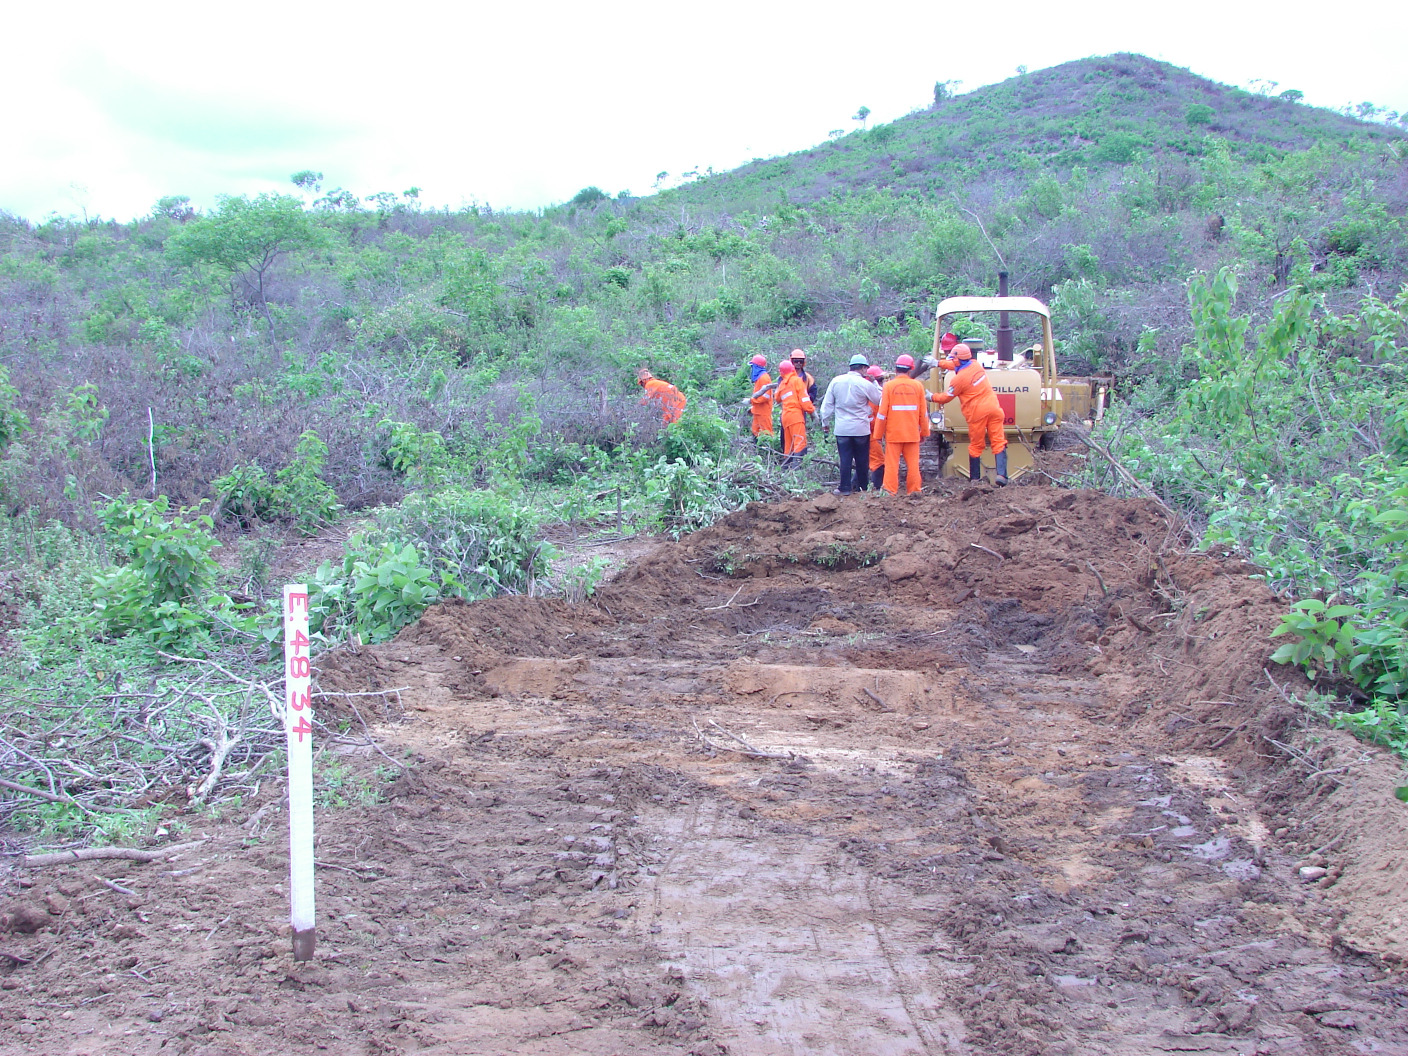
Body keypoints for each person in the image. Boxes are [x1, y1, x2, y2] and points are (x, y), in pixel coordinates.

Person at [927, 343, 1008, 485]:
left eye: (953, 358)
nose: (952, 361)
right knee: (998, 441)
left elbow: (946, 398)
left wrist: (931, 397)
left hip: (977, 413)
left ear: (958, 359)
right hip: (994, 409)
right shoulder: (976, 365)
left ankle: (975, 479)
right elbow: (955, 365)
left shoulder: (959, 380)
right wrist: (938, 363)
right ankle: (1002, 475)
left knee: (976, 445)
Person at [819, 354, 883, 493]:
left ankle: (845, 488)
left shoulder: (836, 381)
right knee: (862, 460)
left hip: (842, 429)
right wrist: (874, 383)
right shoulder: (865, 383)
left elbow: (826, 406)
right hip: (861, 428)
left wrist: (825, 423)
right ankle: (863, 488)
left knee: (845, 459)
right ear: (864, 368)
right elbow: (879, 400)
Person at [874, 354, 930, 495]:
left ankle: (889, 492)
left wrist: (878, 435)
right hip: (912, 434)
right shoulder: (918, 386)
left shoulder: (889, 386)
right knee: (913, 465)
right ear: (910, 370)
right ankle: (914, 491)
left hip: (894, 434)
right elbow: (923, 413)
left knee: (892, 465)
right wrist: (924, 432)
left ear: (896, 368)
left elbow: (882, 413)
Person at [775, 360, 814, 467]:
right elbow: (805, 400)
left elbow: (777, 398)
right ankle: (797, 470)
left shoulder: (782, 384)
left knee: (789, 445)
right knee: (799, 442)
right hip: (796, 416)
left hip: (785, 417)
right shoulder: (797, 381)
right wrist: (812, 411)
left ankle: (785, 468)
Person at [865, 365, 886, 489]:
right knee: (878, 462)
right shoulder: (869, 398)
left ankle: (855, 486)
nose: (881, 383)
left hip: (874, 434)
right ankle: (877, 488)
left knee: (869, 462)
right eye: (879, 380)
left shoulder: (876, 396)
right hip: (870, 434)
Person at [746, 354, 775, 439]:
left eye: (752, 366)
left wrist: (751, 401)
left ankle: (769, 451)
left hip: (763, 412)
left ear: (756, 366)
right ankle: (757, 451)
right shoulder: (759, 378)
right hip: (757, 411)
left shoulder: (764, 378)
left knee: (766, 434)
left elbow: (765, 397)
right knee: (756, 433)